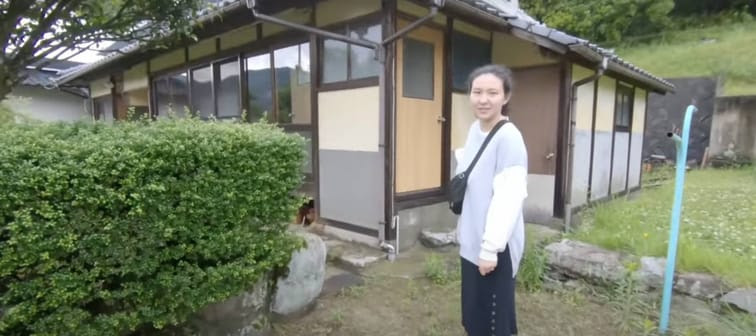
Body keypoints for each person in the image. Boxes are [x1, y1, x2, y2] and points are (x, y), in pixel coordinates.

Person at [455, 64, 528, 336]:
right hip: (472, 241)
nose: (483, 99)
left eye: (492, 93)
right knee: (475, 314)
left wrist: (489, 249)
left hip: (495, 249)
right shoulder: (476, 130)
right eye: (477, 92)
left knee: (495, 321)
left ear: (505, 97)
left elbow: (508, 199)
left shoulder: (510, 138)